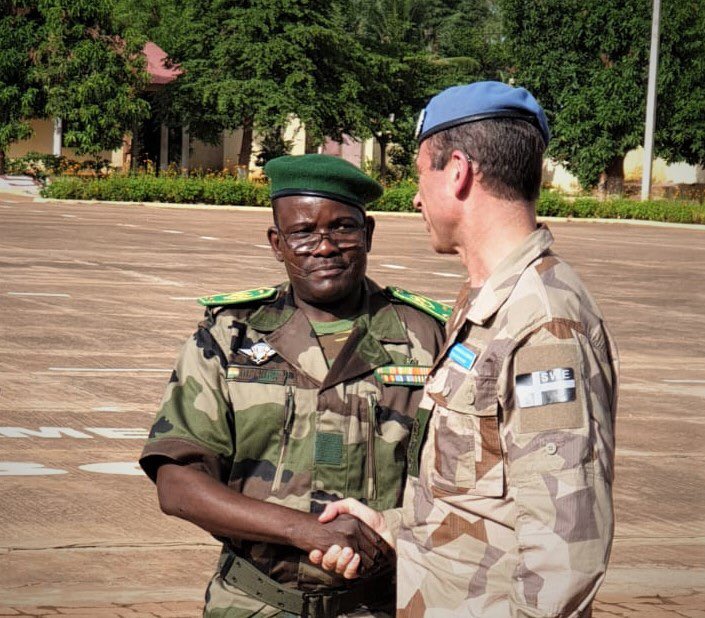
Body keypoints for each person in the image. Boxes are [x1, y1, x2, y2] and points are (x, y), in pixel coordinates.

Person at [310, 82, 620, 617]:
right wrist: (397, 526)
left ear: (457, 172)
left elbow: (566, 544)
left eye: (418, 176)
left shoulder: (544, 322)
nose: (415, 198)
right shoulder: (486, 300)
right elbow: (482, 489)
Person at [139, 154, 448, 618]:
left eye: (343, 228)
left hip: (387, 603)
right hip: (253, 603)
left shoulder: (427, 337)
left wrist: (396, 530)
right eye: (303, 232)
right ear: (276, 243)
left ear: (369, 233)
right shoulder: (230, 336)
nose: (324, 247)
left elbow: (467, 478)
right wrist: (304, 529)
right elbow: (178, 484)